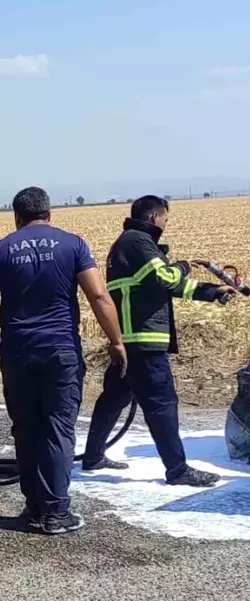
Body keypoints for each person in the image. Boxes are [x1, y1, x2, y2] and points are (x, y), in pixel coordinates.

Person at [0, 187, 127, 535]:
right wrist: (116, 342)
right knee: (58, 427)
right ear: (49, 214)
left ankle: (33, 509)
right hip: (60, 350)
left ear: (17, 217)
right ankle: (56, 512)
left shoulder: (3, 249)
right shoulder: (73, 244)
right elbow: (98, 295)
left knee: (26, 428)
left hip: (16, 351)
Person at [82, 195, 233, 487]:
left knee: (114, 398)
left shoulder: (126, 243)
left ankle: (92, 456)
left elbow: (156, 284)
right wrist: (185, 266)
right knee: (162, 403)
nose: (165, 223)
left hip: (127, 340)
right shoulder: (138, 243)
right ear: (154, 217)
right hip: (144, 342)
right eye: (165, 218)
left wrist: (211, 291)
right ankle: (177, 470)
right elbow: (165, 279)